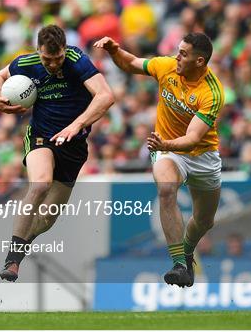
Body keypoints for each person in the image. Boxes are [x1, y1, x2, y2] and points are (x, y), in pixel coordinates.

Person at [94, 32, 224, 287]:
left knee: (204, 221)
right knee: (166, 189)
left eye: (184, 54)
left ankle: (187, 251)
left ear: (199, 61)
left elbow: (193, 138)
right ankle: (178, 264)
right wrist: (114, 50)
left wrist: (166, 144)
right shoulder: (167, 67)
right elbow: (132, 63)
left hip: (201, 155)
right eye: (178, 50)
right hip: (168, 150)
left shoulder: (212, 92)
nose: (177, 56)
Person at [0, 25, 115, 281]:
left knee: (47, 219)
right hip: (41, 136)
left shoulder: (76, 60)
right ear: (39, 51)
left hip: (73, 146)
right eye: (47, 59)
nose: (53, 64)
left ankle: (21, 247)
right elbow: (0, 76)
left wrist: (77, 125)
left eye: (57, 57)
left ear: (64, 49)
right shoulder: (26, 63)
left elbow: (105, 96)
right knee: (40, 184)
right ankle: (12, 260)